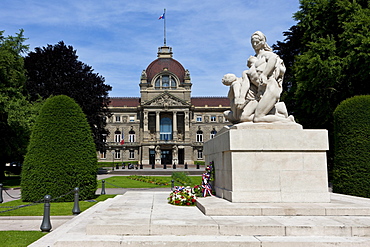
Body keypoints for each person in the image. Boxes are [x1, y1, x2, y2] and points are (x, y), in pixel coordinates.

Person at [249, 31, 294, 123]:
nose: (254, 44)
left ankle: (287, 120)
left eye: (256, 42)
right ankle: (280, 114)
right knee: (249, 117)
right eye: (252, 42)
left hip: (270, 87)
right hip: (261, 91)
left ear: (262, 42)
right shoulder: (255, 58)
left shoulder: (265, 54)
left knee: (258, 117)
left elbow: (273, 59)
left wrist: (264, 74)